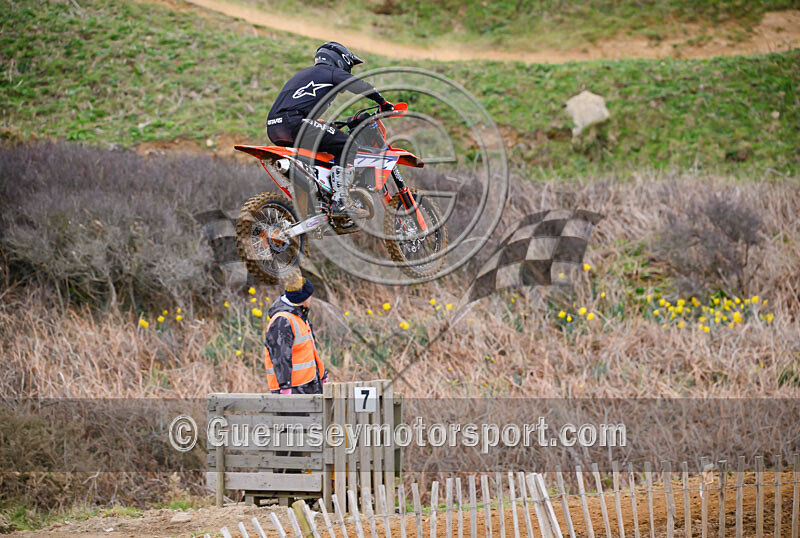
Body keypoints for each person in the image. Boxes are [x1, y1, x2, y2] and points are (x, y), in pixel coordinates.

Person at [266, 41, 394, 215]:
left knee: (317, 156)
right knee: (347, 144)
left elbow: (298, 105)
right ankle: (341, 200)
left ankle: (309, 209)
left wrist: (327, 125)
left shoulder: (303, 74)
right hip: (294, 123)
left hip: (274, 127)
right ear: (340, 60)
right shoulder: (331, 72)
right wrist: (383, 103)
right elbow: (360, 86)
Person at [264, 273, 327, 395]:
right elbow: (280, 356)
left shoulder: (299, 316)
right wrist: (285, 387)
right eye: (309, 295)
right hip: (294, 389)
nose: (311, 298)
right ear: (303, 298)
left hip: (309, 383)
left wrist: (321, 374)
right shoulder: (282, 320)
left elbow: (311, 350)